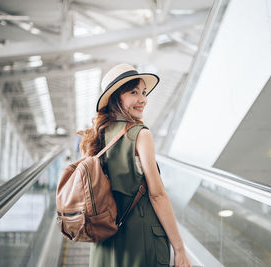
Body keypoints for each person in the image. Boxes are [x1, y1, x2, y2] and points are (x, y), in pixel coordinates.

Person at [78, 63, 191, 267]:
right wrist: (180, 248)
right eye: (134, 92)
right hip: (141, 241)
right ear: (116, 98)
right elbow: (157, 195)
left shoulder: (97, 137)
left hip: (104, 243)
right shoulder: (140, 134)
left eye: (144, 92)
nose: (143, 100)